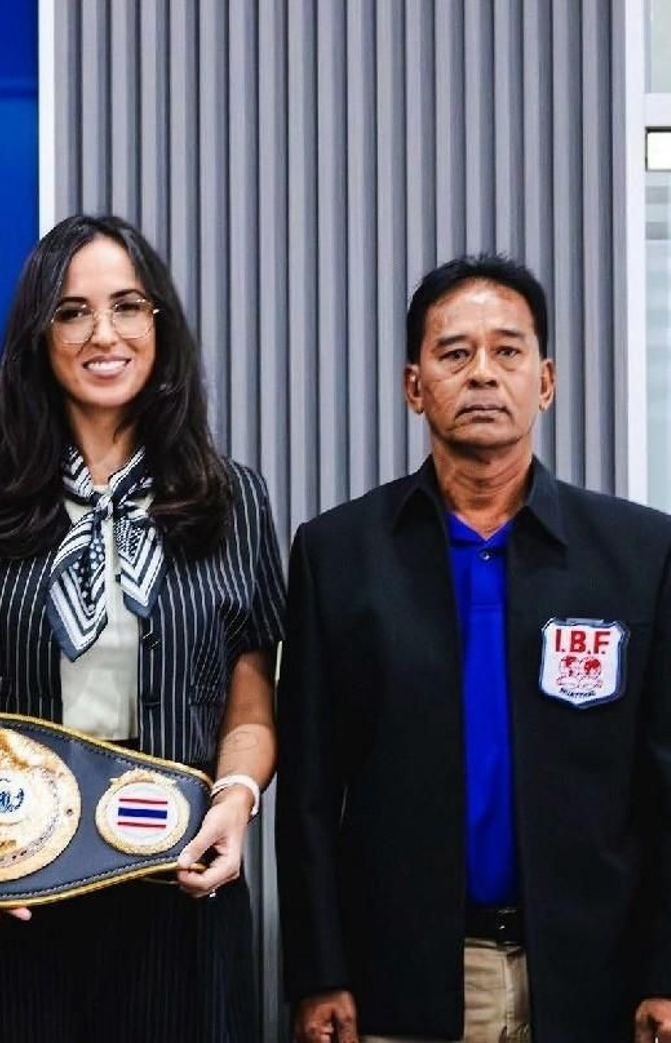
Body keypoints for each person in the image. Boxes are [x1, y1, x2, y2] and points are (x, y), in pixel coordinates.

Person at [0, 214, 285, 1041]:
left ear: (160, 325)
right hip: (3, 893)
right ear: (39, 335)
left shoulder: (231, 495)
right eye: (72, 311)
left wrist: (237, 800)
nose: (102, 333)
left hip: (176, 886)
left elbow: (249, 706)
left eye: (127, 306)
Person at [277, 255, 671, 1042]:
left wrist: (667, 972)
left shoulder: (640, 553)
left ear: (547, 380)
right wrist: (320, 971)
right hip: (404, 981)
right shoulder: (339, 553)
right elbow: (311, 794)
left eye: (508, 351)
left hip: (595, 981)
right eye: (455, 353)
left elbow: (664, 785)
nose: (483, 374)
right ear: (414, 385)